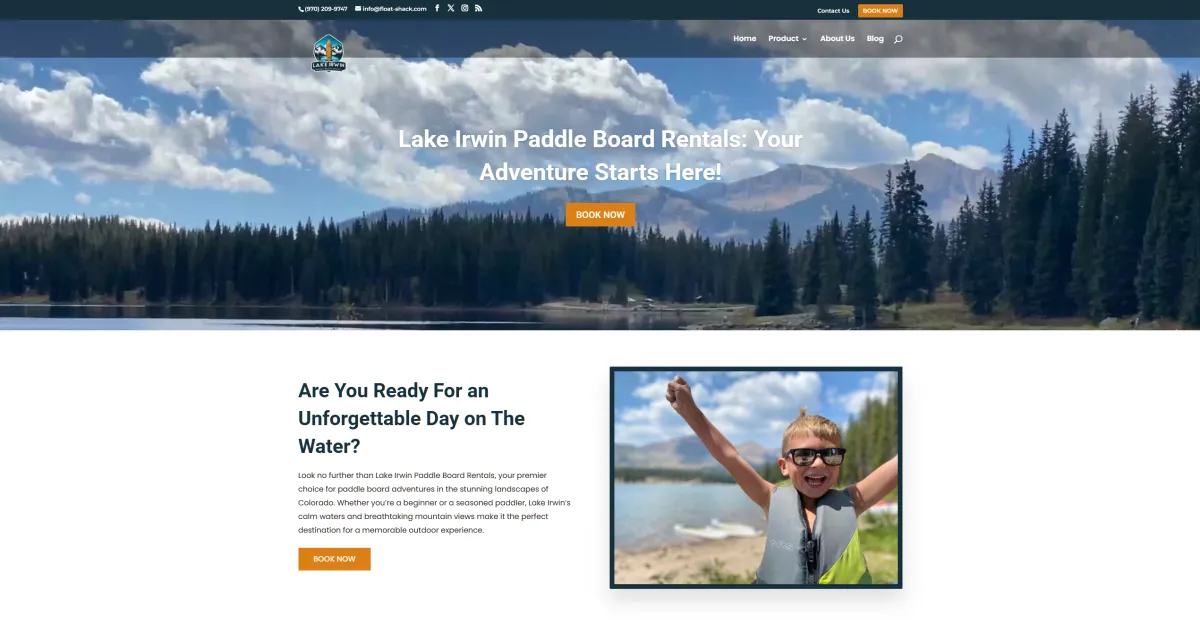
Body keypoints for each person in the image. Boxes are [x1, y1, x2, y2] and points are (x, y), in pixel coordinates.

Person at [665, 375, 898, 585]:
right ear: (784, 466)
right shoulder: (769, 498)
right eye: (804, 455)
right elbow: (729, 456)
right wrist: (690, 412)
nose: (818, 463)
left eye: (830, 455)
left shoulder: (854, 500)